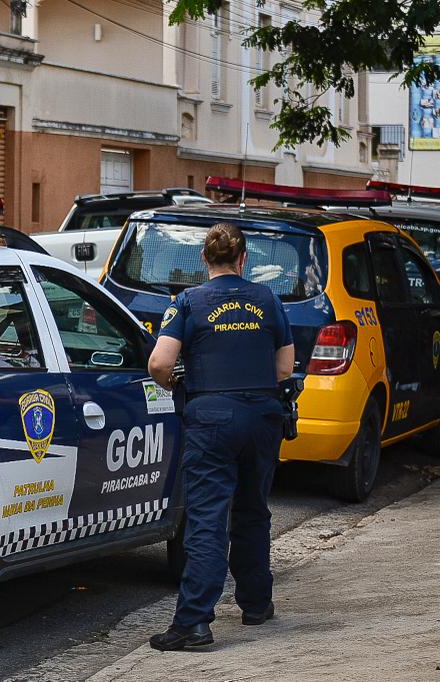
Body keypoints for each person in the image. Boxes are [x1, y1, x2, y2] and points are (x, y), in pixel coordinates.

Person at [147, 222, 295, 651]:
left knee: (208, 518)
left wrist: (178, 383)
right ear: (244, 259)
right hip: (262, 416)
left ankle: (193, 622)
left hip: (211, 418)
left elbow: (159, 363)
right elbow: (284, 368)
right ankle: (255, 604)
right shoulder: (267, 299)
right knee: (252, 510)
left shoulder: (188, 302)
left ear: (204, 259)